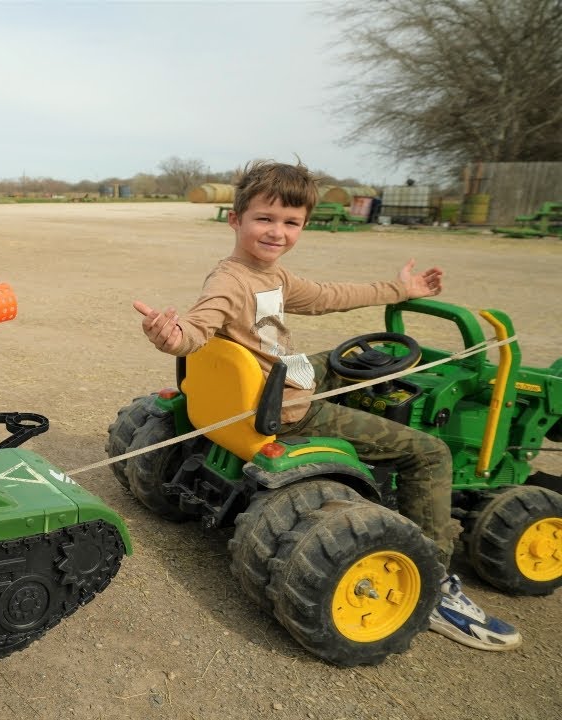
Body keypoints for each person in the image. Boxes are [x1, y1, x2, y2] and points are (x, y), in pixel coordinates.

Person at [131, 159, 521, 652]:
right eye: (264, 218)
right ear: (235, 219)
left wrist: (400, 290)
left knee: (349, 358)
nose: (277, 231)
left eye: (291, 222)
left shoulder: (271, 276)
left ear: (303, 226)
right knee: (429, 453)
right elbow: (197, 326)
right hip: (286, 409)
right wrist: (171, 336)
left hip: (270, 381)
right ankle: (437, 583)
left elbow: (328, 295)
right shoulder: (230, 282)